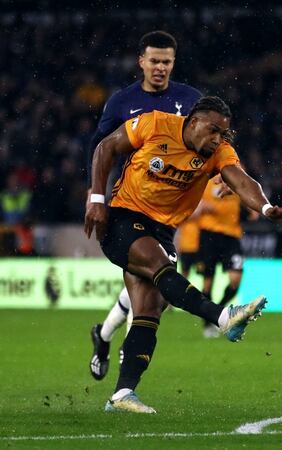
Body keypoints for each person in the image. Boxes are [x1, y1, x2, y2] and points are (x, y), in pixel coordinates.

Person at [84, 96, 282, 413]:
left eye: (223, 134)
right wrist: (95, 198)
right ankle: (222, 317)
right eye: (213, 130)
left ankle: (121, 394)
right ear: (193, 121)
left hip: (162, 231)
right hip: (123, 218)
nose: (217, 139)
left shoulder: (218, 153)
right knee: (160, 269)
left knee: (149, 311)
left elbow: (242, 181)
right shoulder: (155, 124)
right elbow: (105, 147)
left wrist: (267, 207)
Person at [87, 31, 202, 382]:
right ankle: (124, 342)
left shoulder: (191, 99)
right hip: (131, 205)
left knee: (153, 287)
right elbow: (100, 148)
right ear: (141, 62)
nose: (160, 68)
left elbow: (214, 143)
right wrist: (95, 196)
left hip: (169, 208)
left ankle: (103, 335)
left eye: (166, 61)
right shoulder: (122, 102)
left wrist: (225, 181)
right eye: (154, 61)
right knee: (155, 284)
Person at [193, 175, 255, 338]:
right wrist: (200, 206)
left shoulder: (235, 175)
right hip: (209, 235)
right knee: (207, 285)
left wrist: (252, 207)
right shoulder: (204, 178)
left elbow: (248, 193)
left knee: (235, 281)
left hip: (231, 237)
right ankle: (208, 324)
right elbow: (191, 205)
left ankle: (218, 313)